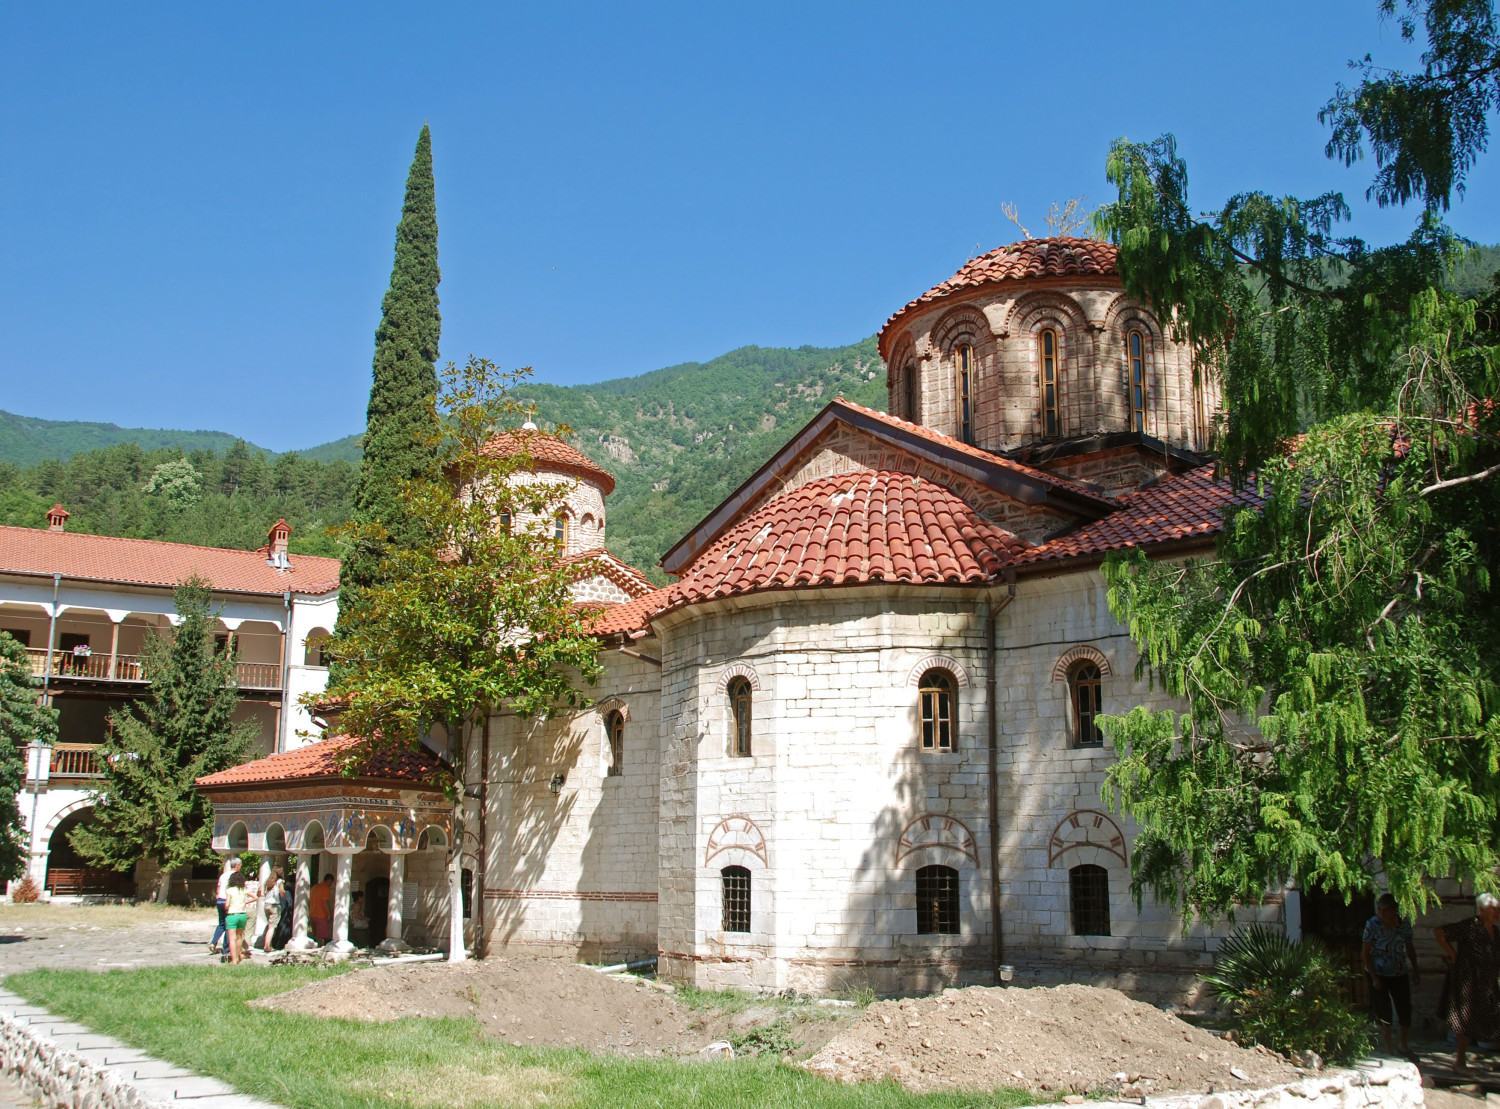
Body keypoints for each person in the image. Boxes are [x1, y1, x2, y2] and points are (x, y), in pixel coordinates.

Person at [1436, 891, 1500, 1071]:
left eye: (1498, 909)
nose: (1496, 913)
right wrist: (1453, 955)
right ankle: (1460, 1060)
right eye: (1493, 909)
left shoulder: (1496, 932)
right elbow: (1440, 933)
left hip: (1488, 983)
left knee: (1493, 1017)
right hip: (1468, 982)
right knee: (1464, 1022)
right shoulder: (1470, 926)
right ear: (1482, 910)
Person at [1362, 893, 1420, 1057]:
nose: (1381, 913)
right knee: (1383, 1012)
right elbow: (1365, 953)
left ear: (1393, 911)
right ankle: (1388, 1048)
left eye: (1385, 910)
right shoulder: (1372, 924)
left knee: (1404, 1009)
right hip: (1378, 973)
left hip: (1399, 972)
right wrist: (1374, 977)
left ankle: (1403, 1044)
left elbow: (1410, 947)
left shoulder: (1403, 924)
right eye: (1380, 910)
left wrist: (1415, 970)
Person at [208, 857, 241, 954]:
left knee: (221, 923)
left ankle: (213, 942)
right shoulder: (236, 876)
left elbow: (218, 889)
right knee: (229, 925)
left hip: (220, 900)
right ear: (237, 865)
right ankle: (226, 948)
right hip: (228, 901)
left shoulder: (223, 875)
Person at [224, 870, 257, 965]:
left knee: (232, 938)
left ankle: (234, 959)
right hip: (242, 915)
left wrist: (227, 907)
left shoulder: (229, 890)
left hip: (232, 915)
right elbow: (255, 897)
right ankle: (238, 957)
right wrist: (245, 903)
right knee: (239, 937)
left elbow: (226, 904)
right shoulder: (243, 889)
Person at [259, 867, 285, 953]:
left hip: (266, 904)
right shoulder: (280, 882)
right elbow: (282, 892)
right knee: (272, 927)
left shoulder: (267, 882)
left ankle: (267, 944)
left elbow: (261, 893)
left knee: (269, 925)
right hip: (274, 905)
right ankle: (267, 946)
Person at [309, 872, 334, 944]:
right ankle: (320, 949)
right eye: (331, 882)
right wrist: (329, 914)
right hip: (321, 915)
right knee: (321, 936)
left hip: (312, 914)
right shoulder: (325, 888)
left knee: (316, 935)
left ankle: (317, 947)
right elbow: (325, 902)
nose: (331, 885)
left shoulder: (314, 887)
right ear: (329, 880)